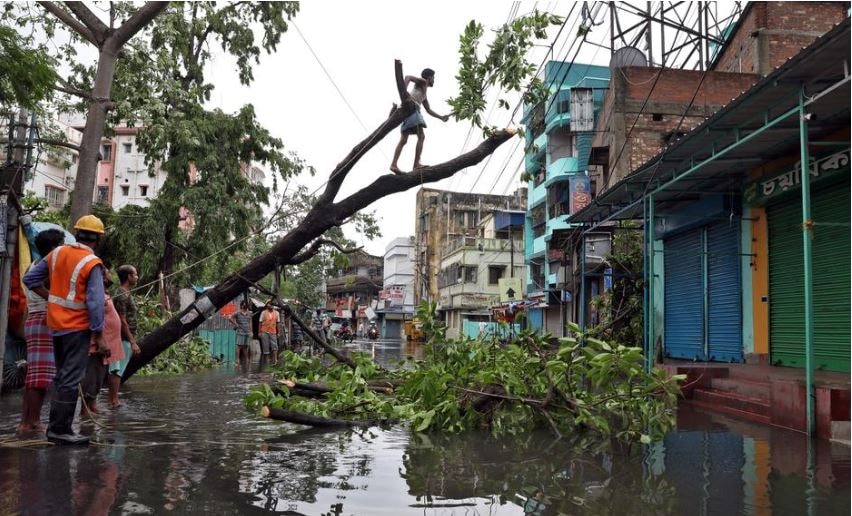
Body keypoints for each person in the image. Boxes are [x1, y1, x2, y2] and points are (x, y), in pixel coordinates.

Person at [23, 215, 109, 445]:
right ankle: (60, 430)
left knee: (62, 377)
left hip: (56, 326)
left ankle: (56, 428)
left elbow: (30, 279)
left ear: (77, 232)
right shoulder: (91, 263)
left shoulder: (56, 253)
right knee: (70, 378)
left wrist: (51, 299)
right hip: (77, 328)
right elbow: (95, 302)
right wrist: (99, 335)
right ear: (98, 239)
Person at [17, 228, 65, 434]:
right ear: (54, 248)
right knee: (40, 378)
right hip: (44, 321)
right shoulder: (46, 267)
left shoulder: (33, 266)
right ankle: (32, 422)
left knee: (34, 375)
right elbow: (50, 291)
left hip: (35, 321)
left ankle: (27, 421)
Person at [80, 267, 124, 415]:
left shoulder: (104, 293)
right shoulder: (96, 293)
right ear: (102, 278)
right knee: (93, 374)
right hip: (99, 343)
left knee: (99, 375)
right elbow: (94, 314)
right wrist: (100, 339)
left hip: (108, 342)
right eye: (108, 272)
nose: (111, 274)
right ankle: (85, 410)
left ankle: (92, 405)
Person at [389, 68, 450, 174]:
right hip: (412, 108)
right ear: (429, 77)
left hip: (407, 111)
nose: (434, 80)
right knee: (421, 136)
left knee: (403, 140)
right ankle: (416, 163)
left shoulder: (424, 93)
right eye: (433, 78)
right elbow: (408, 77)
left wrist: (441, 117)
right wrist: (404, 93)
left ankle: (394, 165)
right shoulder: (422, 81)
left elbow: (428, 109)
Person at [109, 264, 141, 407]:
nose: (137, 277)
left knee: (118, 369)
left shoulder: (126, 293)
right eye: (135, 274)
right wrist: (132, 340)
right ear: (128, 277)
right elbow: (122, 320)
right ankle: (114, 400)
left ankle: (114, 399)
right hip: (122, 337)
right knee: (117, 369)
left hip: (125, 336)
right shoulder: (122, 294)